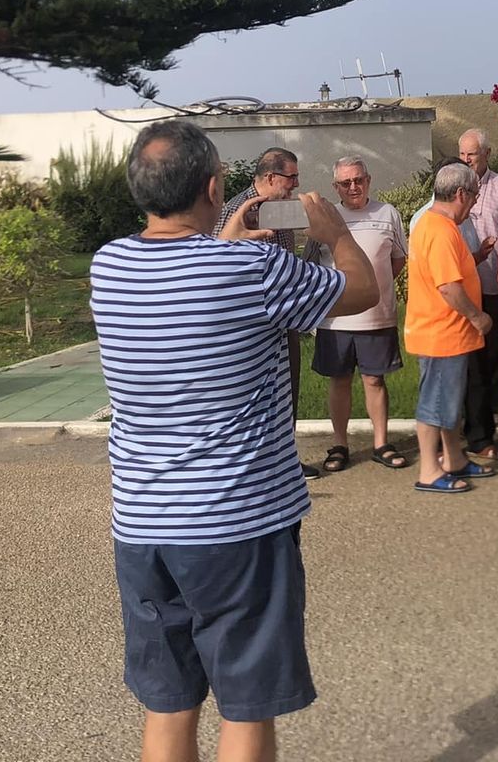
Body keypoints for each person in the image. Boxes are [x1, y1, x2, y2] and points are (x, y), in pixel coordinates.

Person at [91, 119, 378, 762]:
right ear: (216, 186)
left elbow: (190, 274)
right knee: (246, 706)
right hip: (237, 520)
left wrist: (226, 237)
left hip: (143, 524)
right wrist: (334, 235)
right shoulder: (251, 267)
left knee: (168, 704)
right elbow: (362, 291)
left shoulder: (109, 266)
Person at [215, 147, 319, 478]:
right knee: (252, 398)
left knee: (287, 390)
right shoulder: (237, 210)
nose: (296, 183)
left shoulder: (281, 209)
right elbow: (218, 259)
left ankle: (285, 460)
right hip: (248, 328)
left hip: (283, 320)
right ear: (271, 177)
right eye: (291, 177)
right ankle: (254, 467)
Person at [302, 156, 410, 473]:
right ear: (336, 187)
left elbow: (398, 260)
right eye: (346, 182)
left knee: (375, 379)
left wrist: (373, 288)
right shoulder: (326, 217)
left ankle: (381, 444)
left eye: (358, 180)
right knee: (339, 380)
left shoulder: (387, 213)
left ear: (369, 180)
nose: (353, 187)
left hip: (377, 316)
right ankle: (340, 445)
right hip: (335, 318)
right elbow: (310, 264)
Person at [404, 163, 496, 494]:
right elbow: (448, 287)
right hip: (442, 333)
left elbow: (450, 270)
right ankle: (429, 470)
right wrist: (478, 318)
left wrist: (477, 256)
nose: (474, 203)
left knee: (447, 403)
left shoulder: (437, 225)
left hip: (445, 334)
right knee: (435, 404)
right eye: (474, 195)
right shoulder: (440, 230)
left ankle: (454, 458)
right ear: (461, 194)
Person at [458, 129, 498, 463]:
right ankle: (471, 417)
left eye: (472, 154)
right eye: (463, 154)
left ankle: (492, 408)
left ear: (486, 154)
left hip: (494, 281)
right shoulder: (454, 187)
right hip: (463, 286)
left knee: (493, 352)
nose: (467, 160)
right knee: (469, 359)